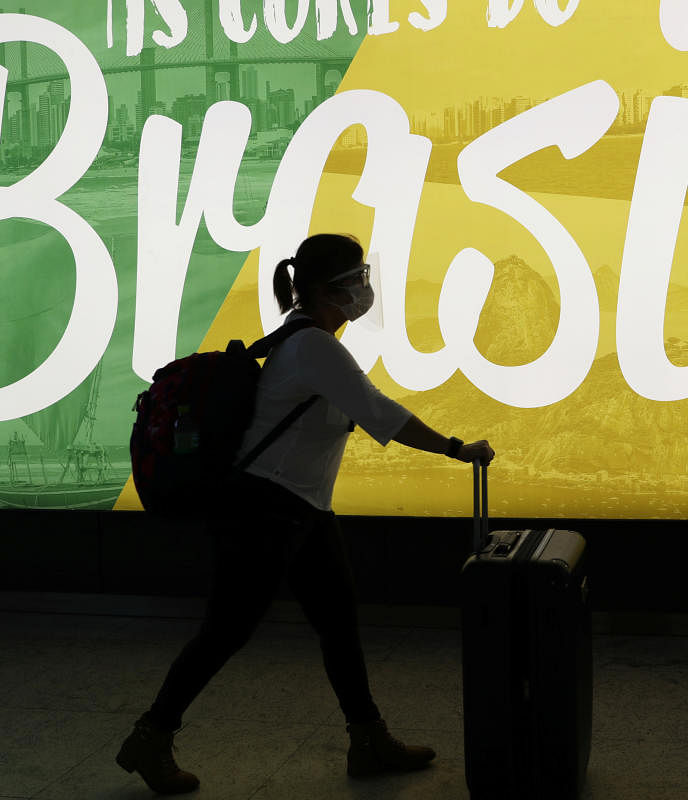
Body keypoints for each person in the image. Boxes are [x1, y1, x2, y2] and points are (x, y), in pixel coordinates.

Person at [116, 233, 496, 794]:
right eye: (355, 282)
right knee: (226, 631)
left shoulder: (301, 339)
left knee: (337, 623)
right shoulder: (315, 347)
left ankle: (368, 740)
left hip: (301, 509)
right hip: (265, 511)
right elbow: (377, 411)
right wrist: (454, 448)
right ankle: (150, 736)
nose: (364, 291)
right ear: (323, 291)